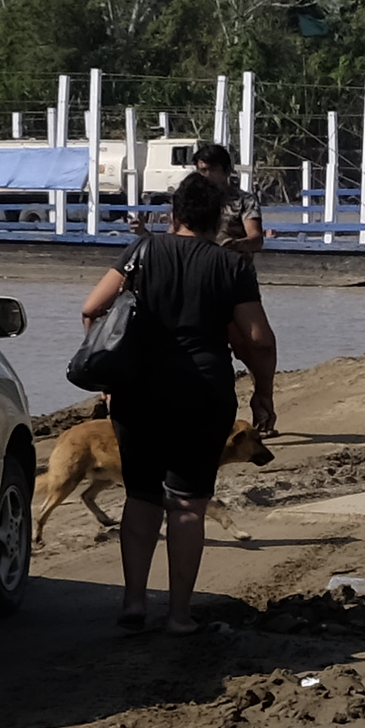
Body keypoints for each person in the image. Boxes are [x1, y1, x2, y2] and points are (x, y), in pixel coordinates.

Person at [73, 167, 279, 636]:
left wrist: (108, 376)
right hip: (203, 393)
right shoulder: (231, 266)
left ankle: (133, 602)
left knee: (142, 495)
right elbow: (259, 340)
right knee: (187, 503)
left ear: (174, 213)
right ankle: (180, 615)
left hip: (138, 391)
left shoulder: (141, 252)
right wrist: (263, 393)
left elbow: (91, 309)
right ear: (219, 217)